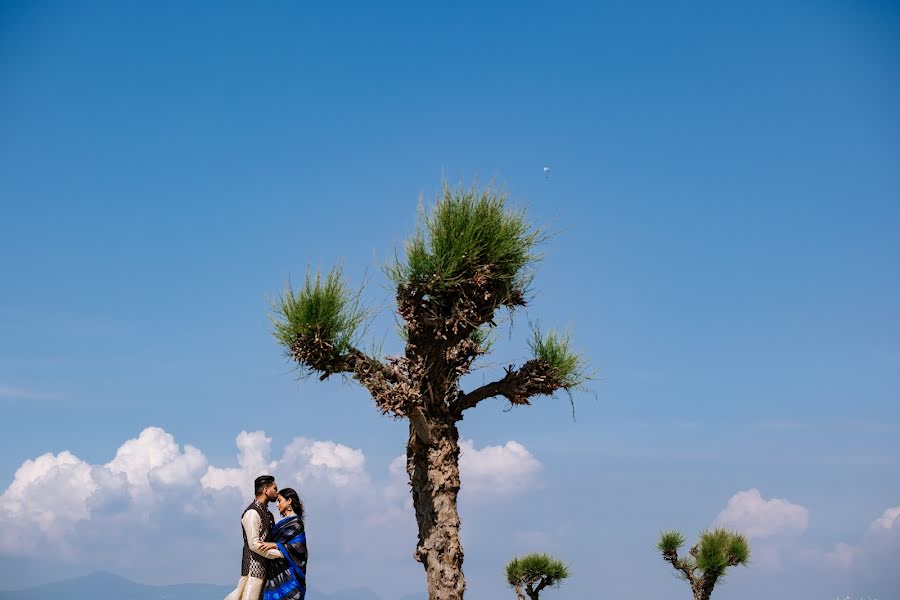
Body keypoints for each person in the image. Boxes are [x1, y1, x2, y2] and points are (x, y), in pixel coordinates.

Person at [224, 475, 283, 600]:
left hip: (265, 570)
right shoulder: (252, 513)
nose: (277, 493)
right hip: (254, 570)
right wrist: (281, 553)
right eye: (275, 488)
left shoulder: (267, 514)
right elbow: (254, 544)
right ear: (266, 490)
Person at [257, 487, 308, 600]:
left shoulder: (296, 524)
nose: (277, 505)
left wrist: (275, 545)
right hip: (274, 575)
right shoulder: (280, 524)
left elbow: (299, 548)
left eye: (279, 501)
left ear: (289, 501)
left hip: (290, 578)